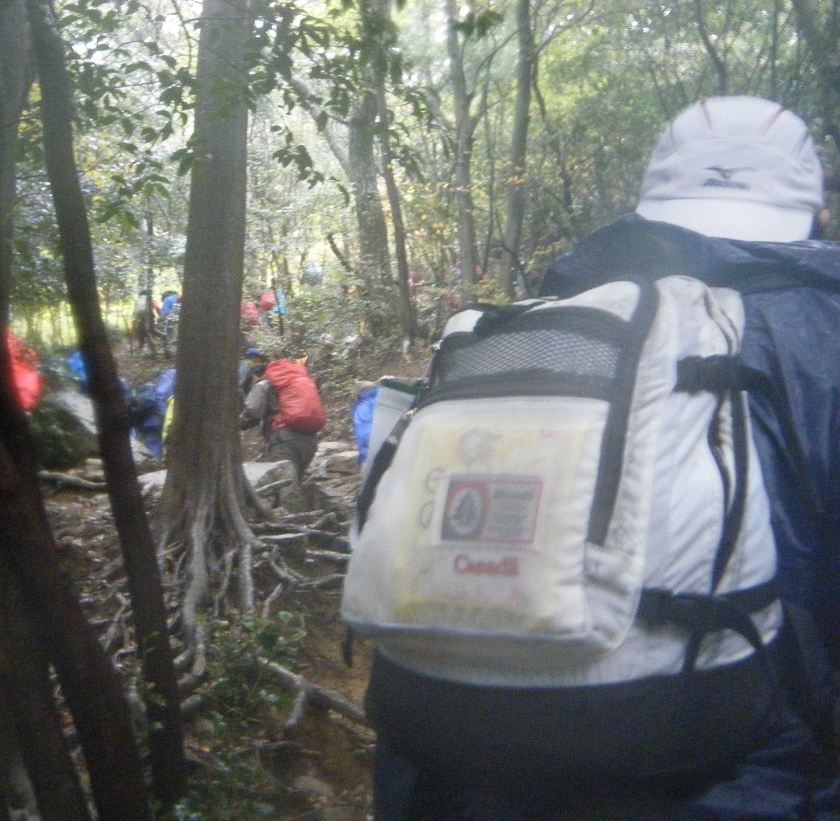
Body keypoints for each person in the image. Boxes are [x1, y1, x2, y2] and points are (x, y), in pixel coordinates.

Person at [368, 96, 840, 819]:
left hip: (476, 759)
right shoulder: (821, 333)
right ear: (817, 214)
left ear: (645, 209)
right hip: (742, 772)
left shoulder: (562, 313)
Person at [240, 358, 325, 477]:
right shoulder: (298, 382)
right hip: (310, 439)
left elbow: (253, 412)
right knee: (296, 478)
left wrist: (237, 424)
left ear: (254, 377)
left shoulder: (262, 385)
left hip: (284, 439)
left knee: (284, 482)